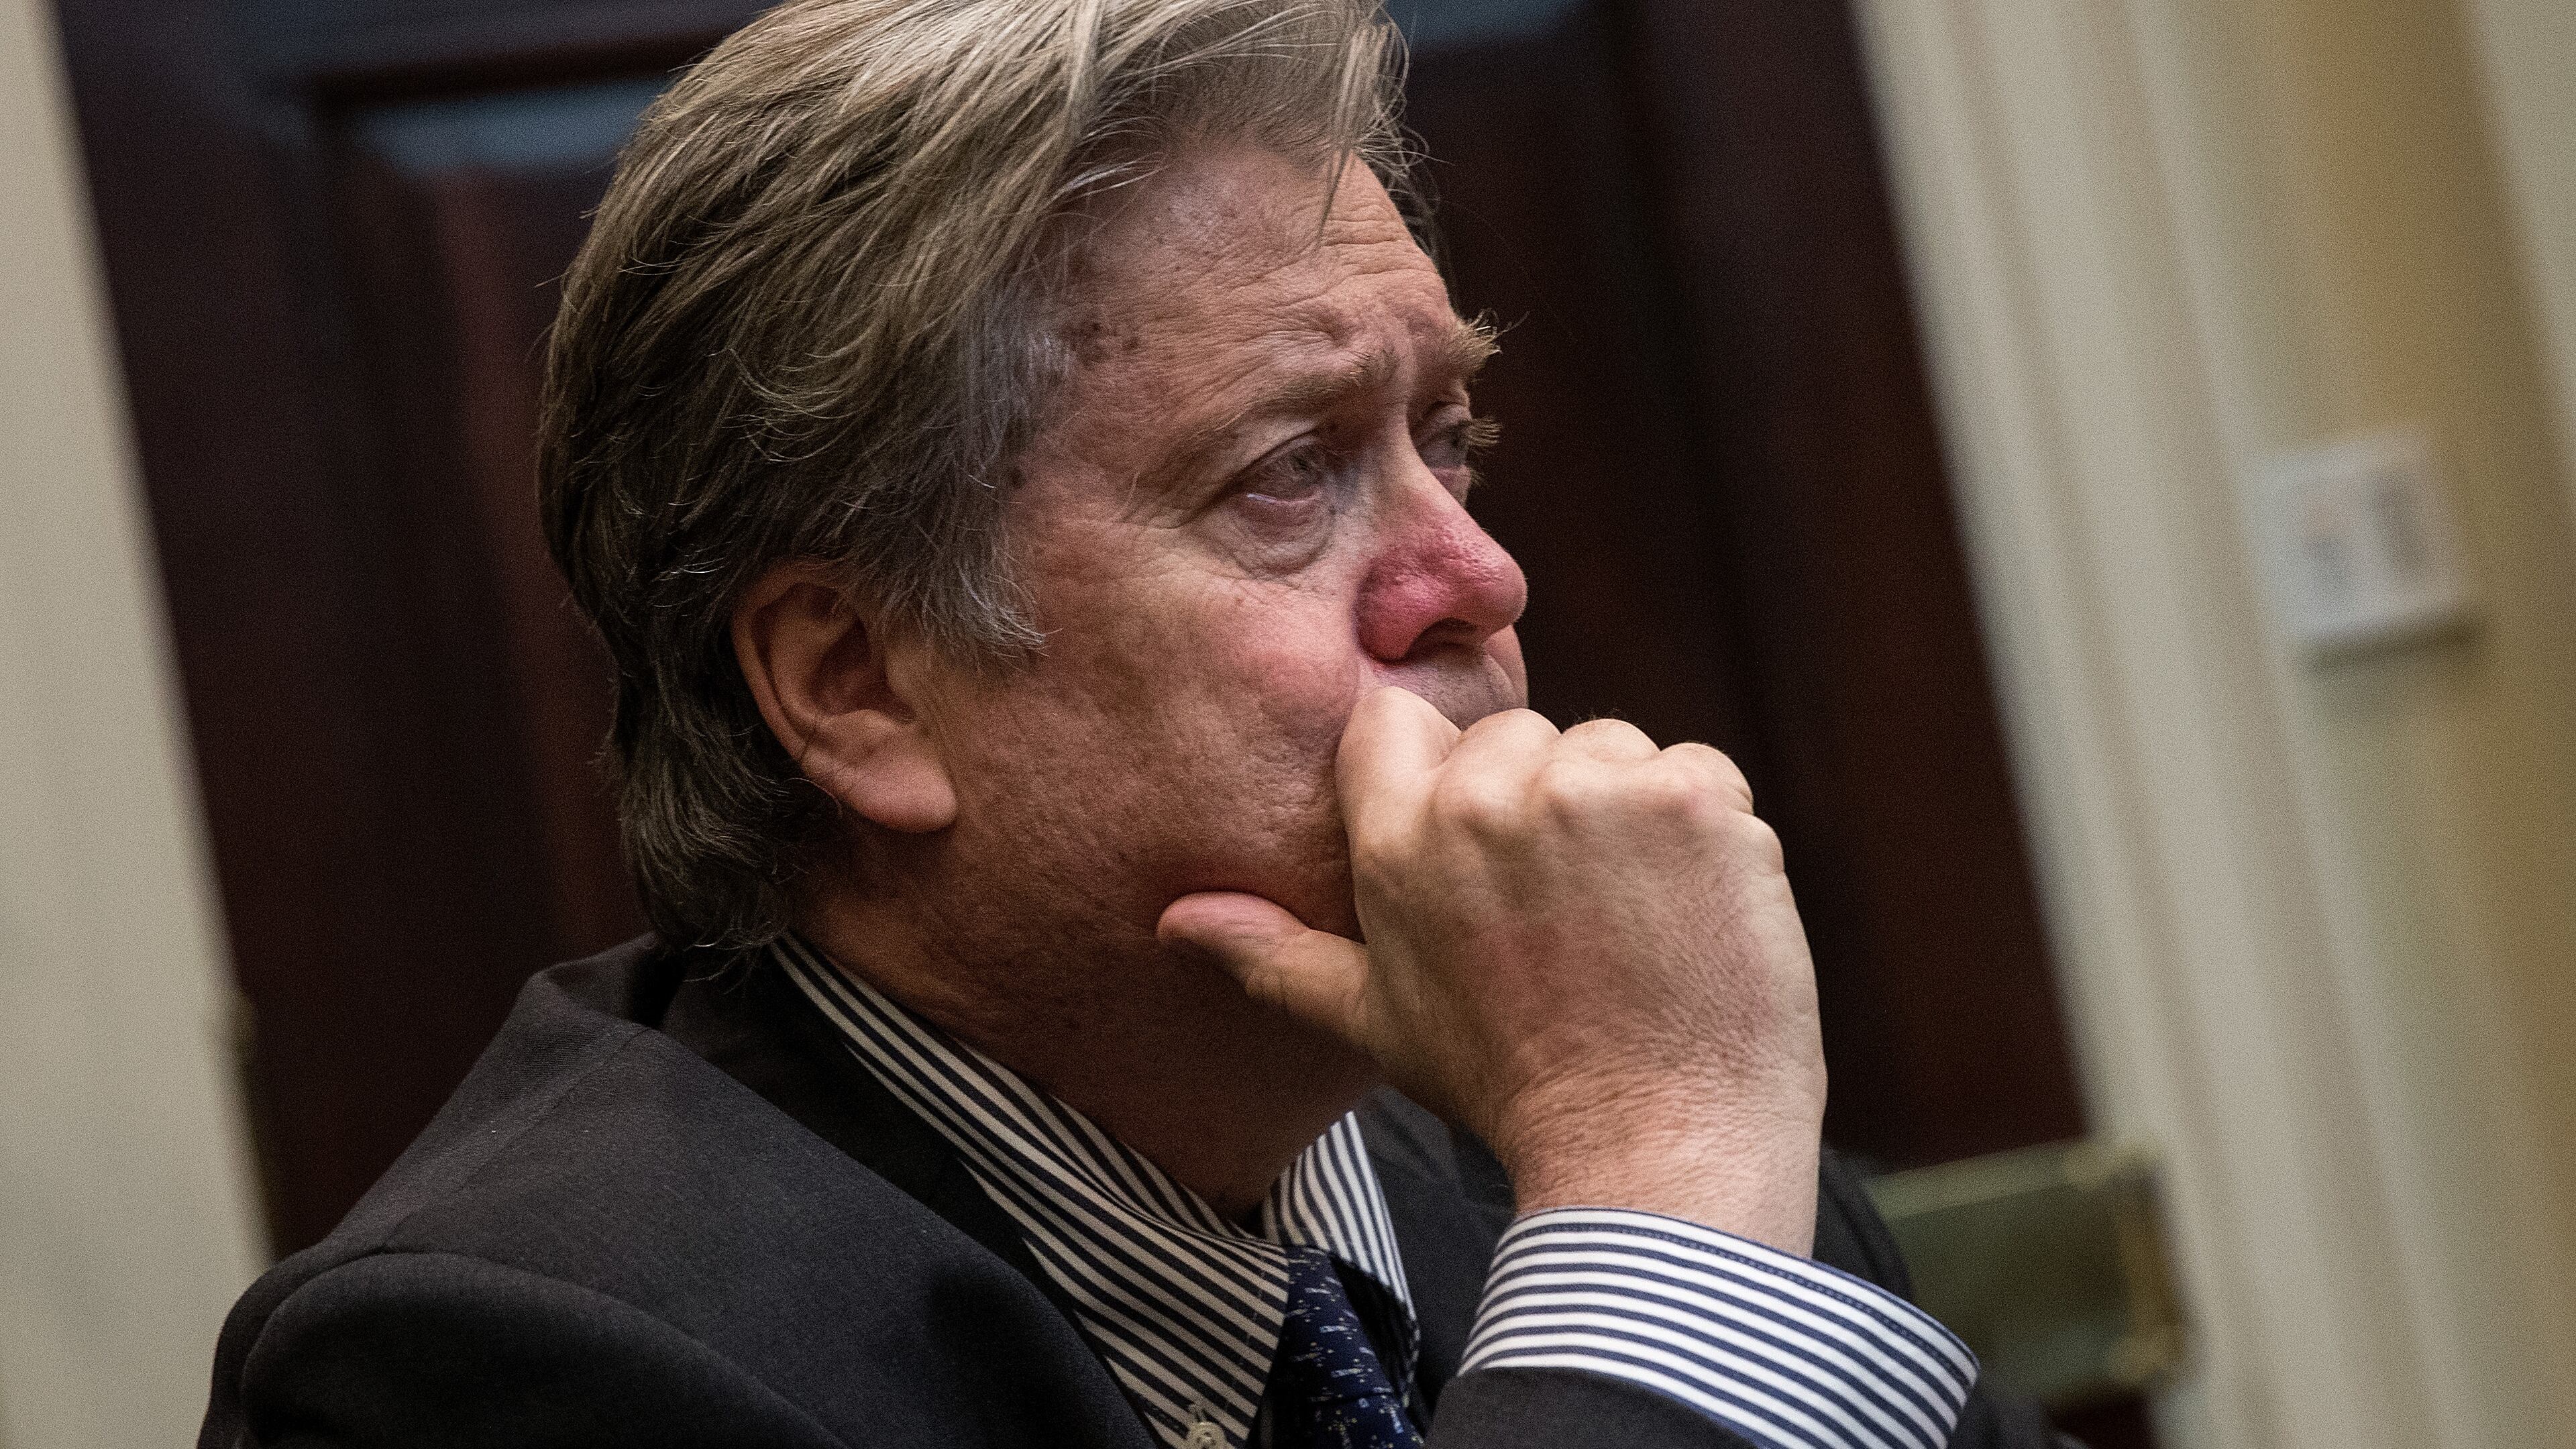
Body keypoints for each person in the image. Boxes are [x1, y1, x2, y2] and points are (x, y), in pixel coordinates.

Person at [201, 2, 2072, 1446]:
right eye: (1290, 474)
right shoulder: (514, 1357)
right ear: (859, 686)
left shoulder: (1549, 1145)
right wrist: (1659, 1180)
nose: (1478, 578)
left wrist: (1649, 1169)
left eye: (1452, 441)